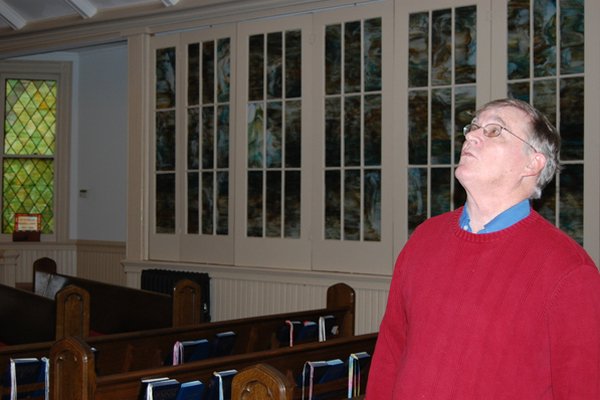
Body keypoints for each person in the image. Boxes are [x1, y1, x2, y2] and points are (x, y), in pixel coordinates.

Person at [366, 98, 600, 399]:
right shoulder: (424, 238)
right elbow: (390, 351)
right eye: (473, 127)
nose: (471, 136)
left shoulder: (570, 270)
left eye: (494, 131)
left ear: (532, 163)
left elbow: (582, 389)